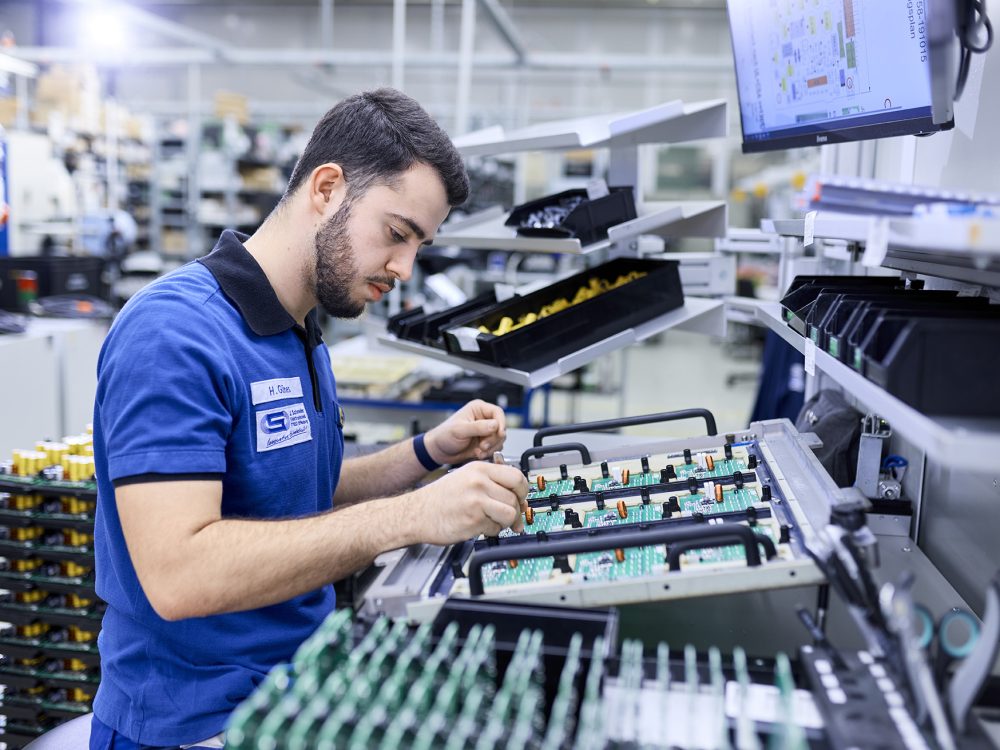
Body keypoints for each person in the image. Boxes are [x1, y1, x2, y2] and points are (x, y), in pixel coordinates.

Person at [89, 88, 529, 749]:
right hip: (193, 725)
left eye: (421, 245)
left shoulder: (299, 329)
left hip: (295, 694)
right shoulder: (174, 334)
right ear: (327, 188)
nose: (406, 269)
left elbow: (294, 492)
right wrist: (412, 516)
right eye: (397, 233)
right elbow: (178, 573)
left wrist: (430, 453)